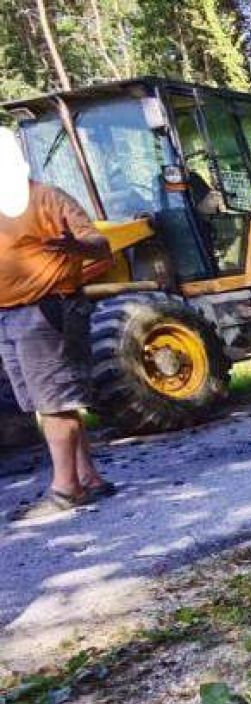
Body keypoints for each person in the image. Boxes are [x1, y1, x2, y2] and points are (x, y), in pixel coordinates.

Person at [0, 127, 115, 520]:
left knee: (55, 402)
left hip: (45, 310)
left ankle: (66, 490)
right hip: (8, 315)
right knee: (46, 401)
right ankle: (88, 478)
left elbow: (100, 246)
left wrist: (74, 246)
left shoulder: (47, 198)